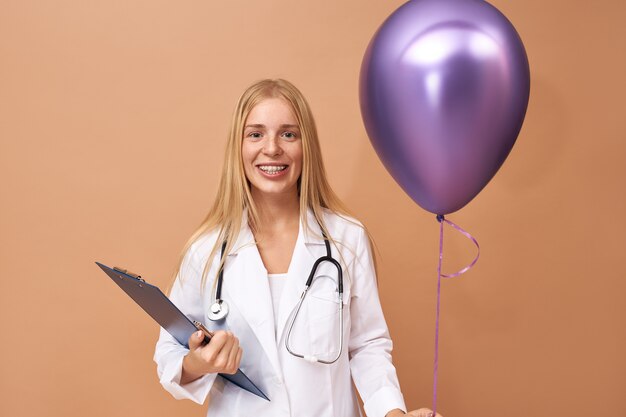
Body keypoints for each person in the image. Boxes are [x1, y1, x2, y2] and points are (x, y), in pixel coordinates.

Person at [154, 79, 441, 417]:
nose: (272, 148)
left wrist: (392, 413)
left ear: (308, 147)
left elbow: (367, 346)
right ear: (238, 147)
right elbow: (169, 357)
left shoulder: (346, 239)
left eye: (288, 134)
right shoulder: (206, 250)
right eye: (256, 134)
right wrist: (198, 363)